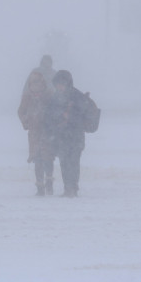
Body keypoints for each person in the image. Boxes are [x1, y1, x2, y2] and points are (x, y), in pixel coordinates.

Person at [42, 70, 90, 198]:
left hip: (75, 137)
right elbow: (48, 115)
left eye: (62, 83)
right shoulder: (55, 98)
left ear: (68, 83)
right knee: (64, 162)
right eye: (57, 84)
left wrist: (67, 117)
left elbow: (81, 116)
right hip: (61, 137)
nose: (59, 86)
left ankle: (73, 188)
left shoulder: (77, 96)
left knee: (73, 162)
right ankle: (67, 188)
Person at [18, 69, 55, 195]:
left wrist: (51, 123)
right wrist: (26, 122)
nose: (35, 87)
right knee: (37, 159)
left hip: (48, 132)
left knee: (48, 159)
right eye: (33, 84)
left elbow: (55, 111)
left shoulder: (49, 96)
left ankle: (49, 182)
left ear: (43, 84)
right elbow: (20, 112)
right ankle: (40, 187)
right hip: (34, 134)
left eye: (38, 84)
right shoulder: (27, 97)